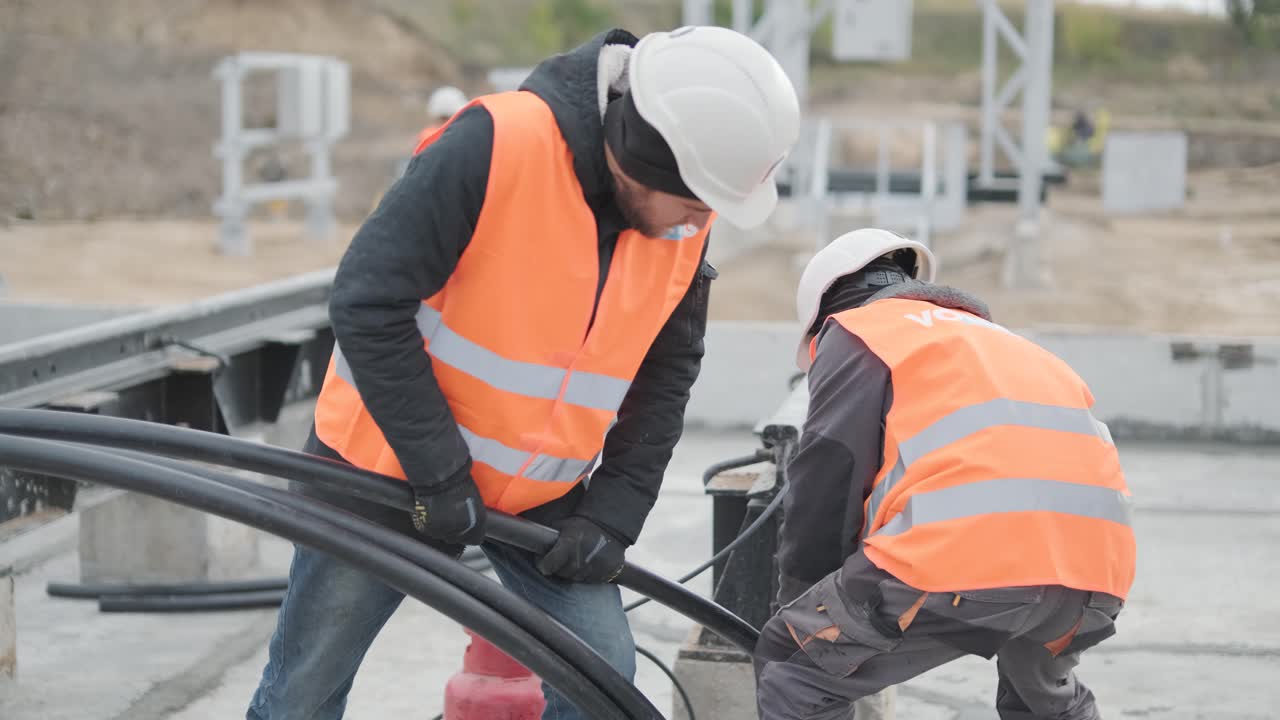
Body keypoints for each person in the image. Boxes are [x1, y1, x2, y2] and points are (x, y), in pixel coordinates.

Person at [246, 25, 799, 720]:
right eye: (693, 203)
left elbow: (669, 372)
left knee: (603, 680)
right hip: (382, 471)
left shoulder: (684, 216)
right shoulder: (495, 146)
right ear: (645, 155)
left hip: (539, 495)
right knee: (304, 688)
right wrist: (439, 471)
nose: (700, 220)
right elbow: (366, 303)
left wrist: (614, 516)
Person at [753, 229, 1137, 720]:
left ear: (821, 319)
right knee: (1042, 698)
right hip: (1093, 575)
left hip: (962, 559)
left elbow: (829, 477)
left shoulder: (857, 331)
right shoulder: (1004, 343)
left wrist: (804, 607)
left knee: (793, 666)